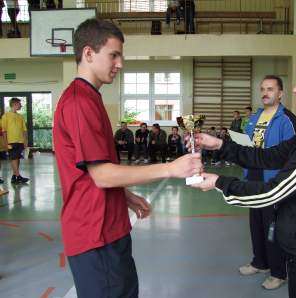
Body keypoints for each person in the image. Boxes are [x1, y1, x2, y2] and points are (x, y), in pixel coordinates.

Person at [52, 18, 202, 298]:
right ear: (88, 53)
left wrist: (126, 196)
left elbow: (94, 170)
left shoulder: (91, 97)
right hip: (95, 234)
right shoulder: (78, 102)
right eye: (113, 55)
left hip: (108, 226)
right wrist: (170, 168)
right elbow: (102, 174)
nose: (120, 63)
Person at [192, 53, 296, 298]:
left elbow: (273, 192)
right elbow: (268, 157)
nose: (295, 88)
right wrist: (219, 145)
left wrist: (219, 182)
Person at [239, 75, 296, 290]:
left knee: (273, 227)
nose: (265, 93)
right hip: (254, 177)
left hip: (274, 181)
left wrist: (282, 183)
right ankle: (260, 262)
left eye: (270, 89)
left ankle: (278, 272)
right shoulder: (255, 117)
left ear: (281, 93)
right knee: (256, 223)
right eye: (263, 89)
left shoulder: (286, 120)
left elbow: (292, 155)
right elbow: (247, 145)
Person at [1, 97, 29, 184]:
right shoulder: (6, 116)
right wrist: (6, 143)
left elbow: (24, 130)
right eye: (20, 104)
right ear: (14, 104)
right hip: (11, 141)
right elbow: (4, 131)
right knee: (14, 158)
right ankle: (18, 176)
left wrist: (25, 141)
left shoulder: (20, 116)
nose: (21, 105)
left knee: (17, 159)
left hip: (20, 141)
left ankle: (14, 176)